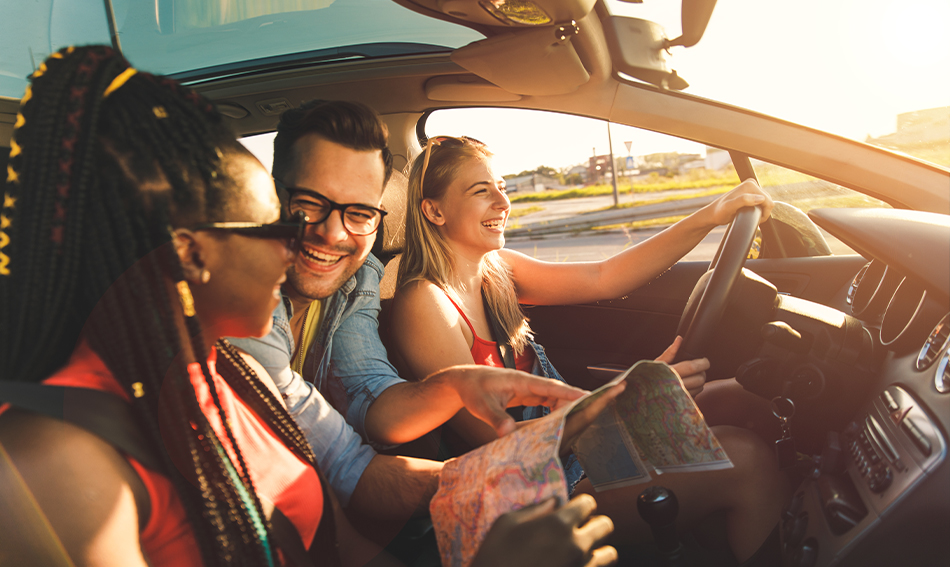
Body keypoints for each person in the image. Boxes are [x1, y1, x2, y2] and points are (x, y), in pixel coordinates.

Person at [0, 48, 617, 567]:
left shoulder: (227, 381)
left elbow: (351, 506)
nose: (299, 244)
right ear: (186, 254)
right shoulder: (48, 456)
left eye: (358, 214)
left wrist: (520, 451)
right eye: (272, 223)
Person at [389, 135, 790, 563]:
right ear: (434, 210)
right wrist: (624, 398)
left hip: (580, 449)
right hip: (534, 496)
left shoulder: (496, 271)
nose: (502, 202)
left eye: (502, 186)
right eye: (481, 190)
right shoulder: (424, 304)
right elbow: (501, 447)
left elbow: (605, 276)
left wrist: (710, 216)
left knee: (745, 399)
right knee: (745, 460)